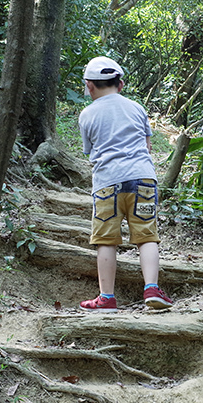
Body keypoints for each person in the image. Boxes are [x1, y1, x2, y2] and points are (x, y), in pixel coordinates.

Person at [77, 56, 173, 312]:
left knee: (106, 240)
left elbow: (89, 150)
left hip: (107, 183)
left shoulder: (87, 114)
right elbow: (148, 146)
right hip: (143, 178)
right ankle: (152, 288)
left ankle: (106, 297)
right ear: (120, 84)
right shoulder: (136, 108)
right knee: (146, 236)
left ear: (90, 86)